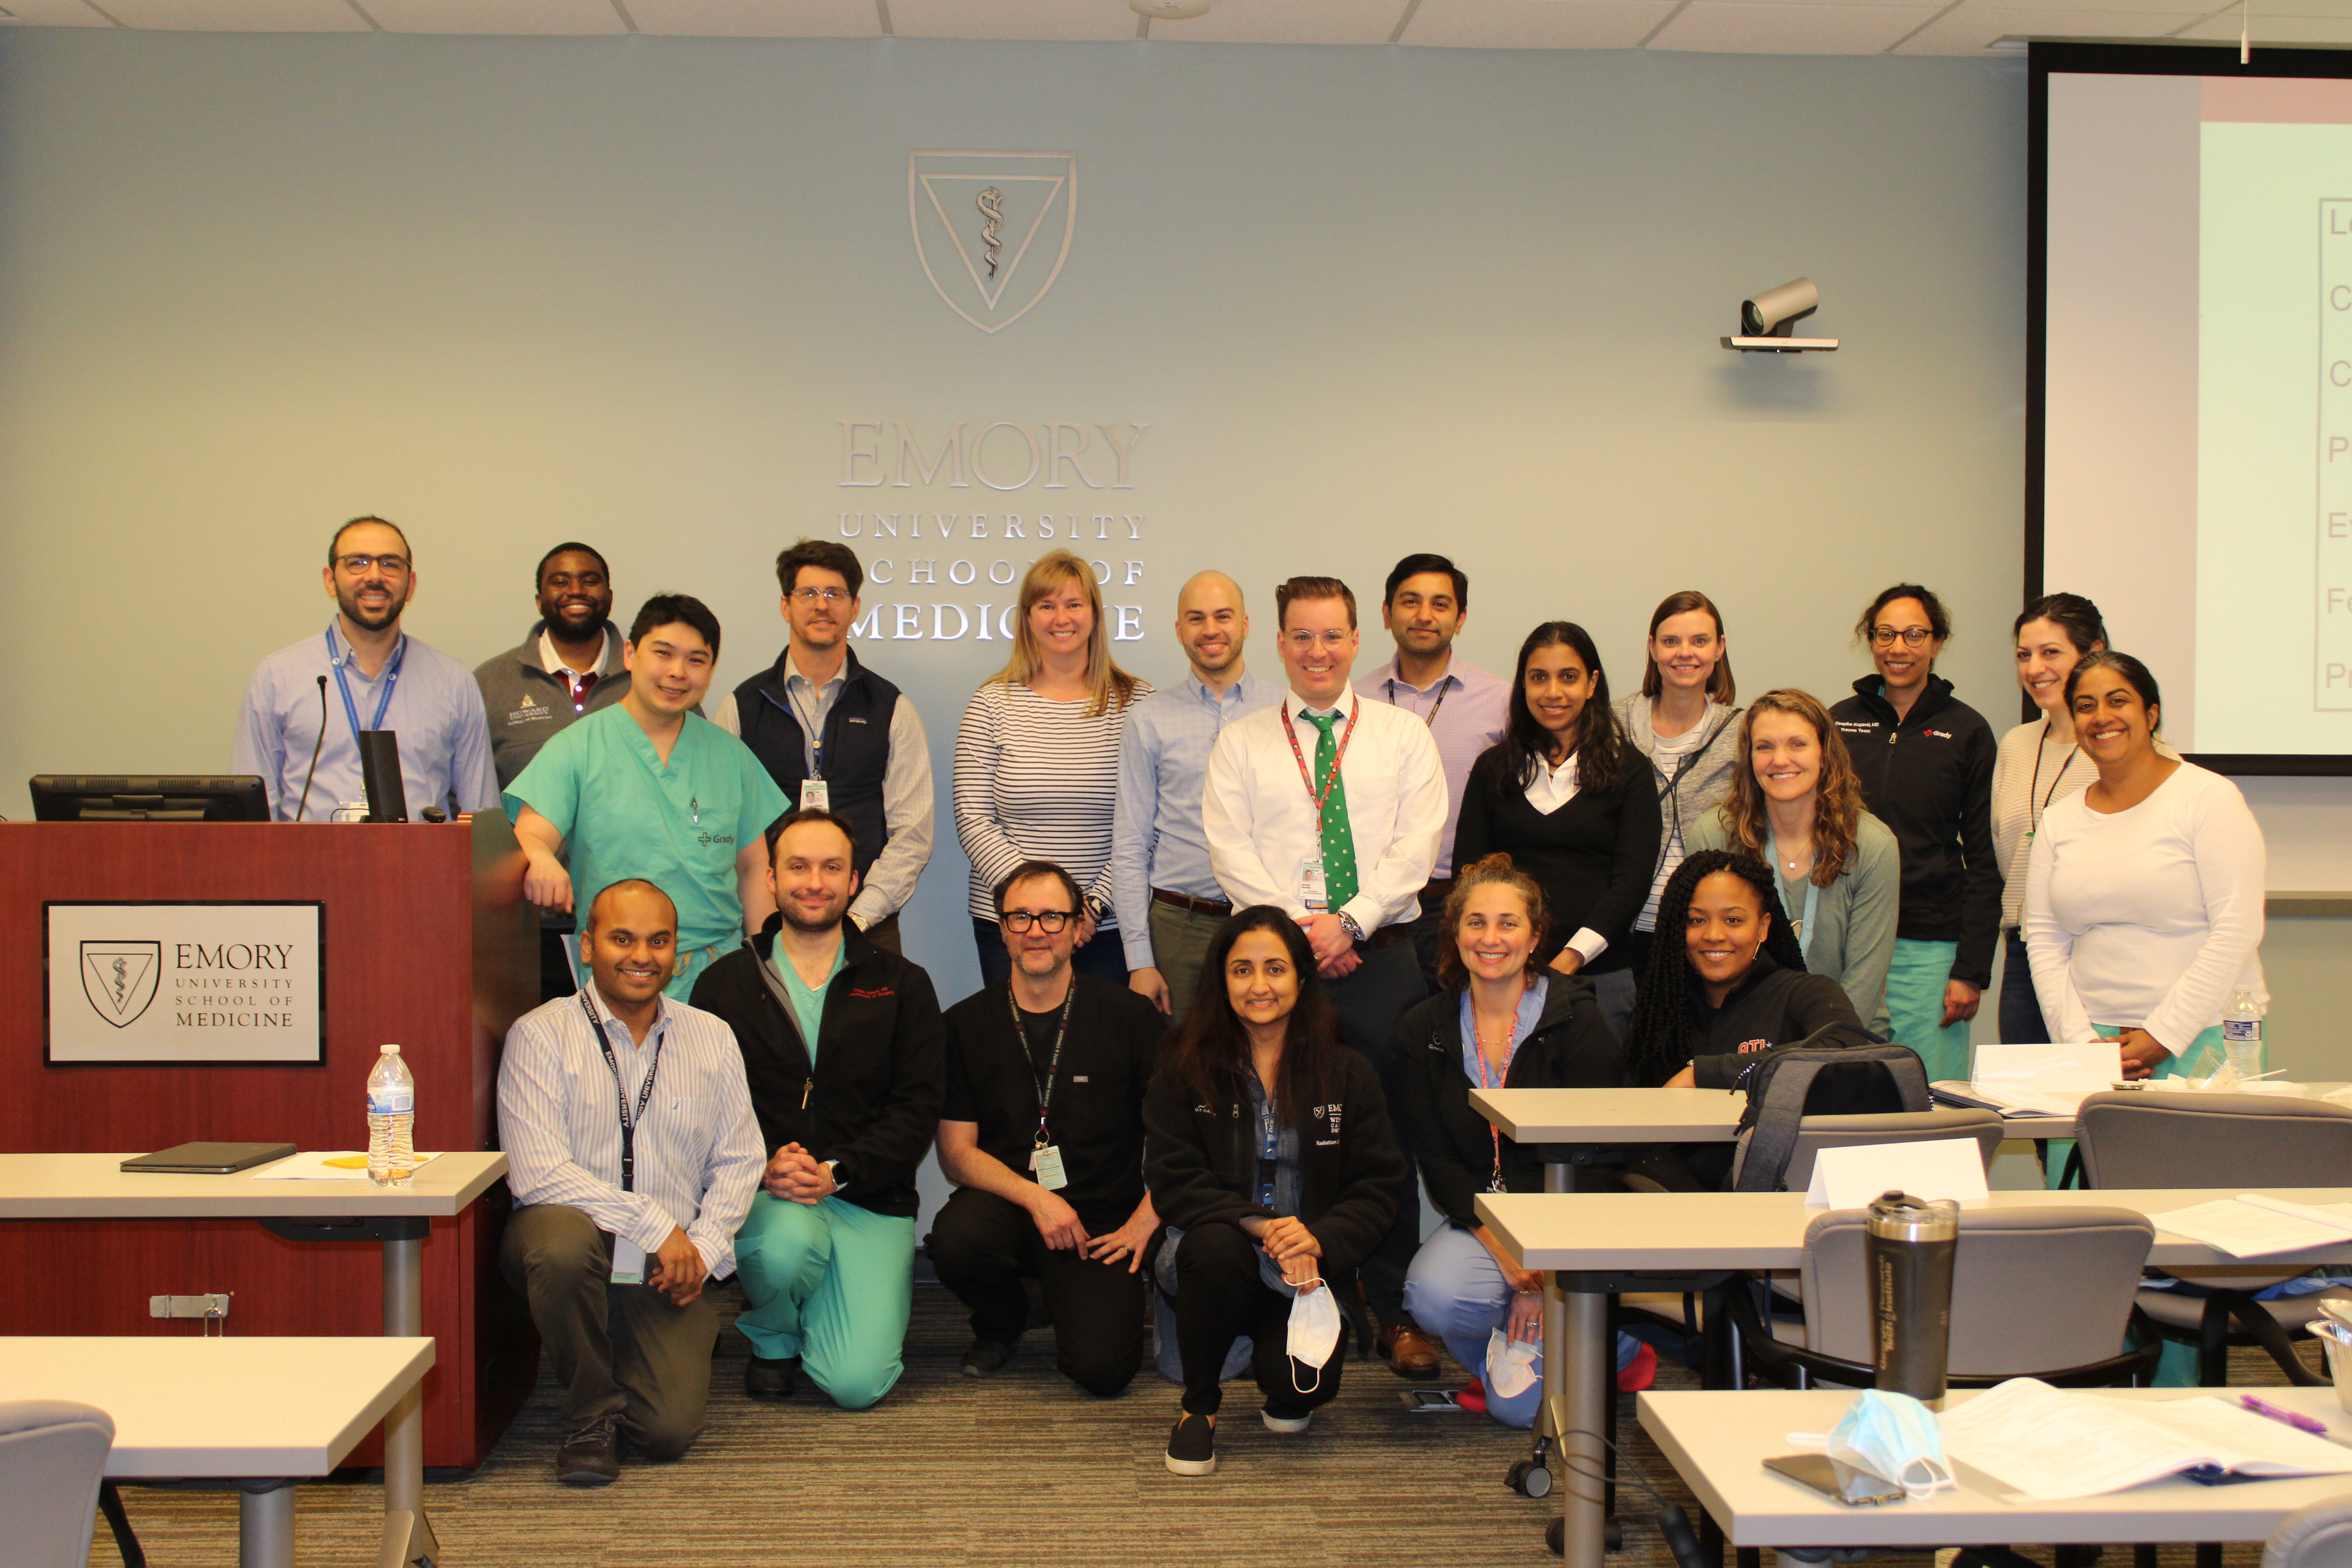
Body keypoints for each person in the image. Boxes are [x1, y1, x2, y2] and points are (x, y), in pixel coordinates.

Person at [1201, 575, 1447, 1379]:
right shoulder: (1241, 741)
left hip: (1380, 960)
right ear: (1279, 644)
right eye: (1301, 637)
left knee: (1384, 1140)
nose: (1317, 651)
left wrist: (1352, 920)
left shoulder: (1402, 736)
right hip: (1278, 969)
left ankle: (1397, 1311)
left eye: (1333, 636)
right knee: (1278, 1131)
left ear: (1354, 640)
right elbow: (1230, 848)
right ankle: (1290, 1293)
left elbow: (1417, 843)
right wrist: (1298, 941)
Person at [496, 878, 763, 1485]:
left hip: (662, 1266)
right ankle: (590, 1417)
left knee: (666, 1434)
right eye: (622, 938)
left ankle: (621, 1356)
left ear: (677, 951)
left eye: (659, 941)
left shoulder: (711, 1037)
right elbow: (537, 1173)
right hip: (568, 1241)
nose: (642, 955)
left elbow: (741, 1160)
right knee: (562, 1245)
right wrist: (656, 1224)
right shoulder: (540, 1034)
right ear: (587, 946)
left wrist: (702, 1249)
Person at [687, 808, 946, 1410]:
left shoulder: (903, 984)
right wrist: (763, 1169)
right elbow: (702, 1109)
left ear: (854, 881)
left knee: (857, 1385)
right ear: (771, 880)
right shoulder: (723, 986)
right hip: (767, 1195)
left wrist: (839, 1171)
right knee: (783, 1251)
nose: (815, 882)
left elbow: (917, 1106)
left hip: (867, 1198)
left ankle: (821, 1298)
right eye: (797, 866)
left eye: (832, 868)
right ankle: (774, 1334)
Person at [1144, 906, 1406, 1476]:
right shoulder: (1182, 1063)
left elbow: (1379, 1184)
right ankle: (1199, 1407)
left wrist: (1317, 1238)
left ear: (1302, 979)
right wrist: (1260, 1225)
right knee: (1215, 1248)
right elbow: (1173, 1176)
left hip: (1306, 1266)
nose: (1259, 986)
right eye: (1242, 971)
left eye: (1275, 969)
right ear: (1222, 981)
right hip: (1213, 1253)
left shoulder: (1347, 1070)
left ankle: (1271, 1361)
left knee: (1300, 1391)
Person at [1394, 855, 1648, 1427]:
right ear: (1455, 933)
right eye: (1476, 923)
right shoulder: (1425, 1030)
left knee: (1515, 1414)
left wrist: (1542, 1277)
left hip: (1567, 1215)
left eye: (1508, 924)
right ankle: (1539, 1353)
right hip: (1483, 1216)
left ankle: (1620, 1350)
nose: (1491, 939)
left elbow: (1601, 1157)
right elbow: (1436, 1160)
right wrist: (1507, 1255)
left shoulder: (1575, 1020)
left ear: (1535, 937)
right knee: (1430, 1295)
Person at [930, 861, 1167, 1394]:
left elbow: (1186, 1140)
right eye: (1020, 918)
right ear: (1001, 927)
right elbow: (955, 1155)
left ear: (1079, 924)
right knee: (955, 1240)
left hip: (1102, 1221)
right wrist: (1037, 1200)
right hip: (1010, 1206)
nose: (1036, 931)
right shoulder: (964, 1025)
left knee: (1103, 1374)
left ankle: (1063, 1295)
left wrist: (1144, 1221)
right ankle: (1004, 1319)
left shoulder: (1131, 1019)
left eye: (1053, 917)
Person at [506, 594, 788, 999]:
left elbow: (753, 870)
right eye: (664, 653)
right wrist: (540, 858)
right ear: (630, 654)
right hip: (618, 976)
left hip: (719, 977)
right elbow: (530, 835)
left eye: (696, 660)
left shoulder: (731, 756)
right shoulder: (577, 747)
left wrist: (767, 970)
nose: (678, 672)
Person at [2024, 652, 2267, 1082]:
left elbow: (2237, 928)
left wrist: (2163, 1034)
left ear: (2151, 714)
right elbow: (2043, 938)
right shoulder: (2059, 820)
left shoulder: (2208, 798)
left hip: (2202, 1037)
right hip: (2093, 1044)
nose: (2102, 717)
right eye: (2085, 706)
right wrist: (2081, 1045)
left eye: (2118, 701)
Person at [712, 539, 933, 954]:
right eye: (808, 593)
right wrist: (764, 917)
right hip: (770, 927)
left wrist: (858, 916)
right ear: (785, 605)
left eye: (835, 594)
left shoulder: (892, 708)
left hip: (868, 927)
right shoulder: (741, 707)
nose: (822, 605)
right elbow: (725, 829)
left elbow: (913, 835)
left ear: (855, 607)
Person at [954, 551, 1154, 987]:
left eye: (1074, 604)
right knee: (1016, 1053)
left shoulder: (1138, 704)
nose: (1060, 618)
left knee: (1102, 1053)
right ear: (1027, 618)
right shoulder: (991, 703)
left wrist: (1091, 907)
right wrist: (1036, 912)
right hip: (1010, 928)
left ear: (1095, 615)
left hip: (1104, 927)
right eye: (1046, 606)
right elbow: (973, 819)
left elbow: (1146, 824)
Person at [1829, 584, 1998, 1084]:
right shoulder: (1838, 722)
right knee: (1852, 1090)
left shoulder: (1967, 730)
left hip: (1928, 948)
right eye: (1885, 634)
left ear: (1938, 641)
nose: (1898, 648)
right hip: (1849, 940)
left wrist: (1971, 969)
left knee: (1931, 1094)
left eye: (1913, 634)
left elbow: (1984, 858)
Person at [1453, 621, 1660, 1025]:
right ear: (1523, 686)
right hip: (1502, 974)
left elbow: (1630, 883)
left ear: (1592, 683)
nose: (1553, 692)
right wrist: (1513, 960)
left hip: (1601, 978)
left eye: (1568, 677)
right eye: (1538, 678)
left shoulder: (1630, 771)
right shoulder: (1493, 769)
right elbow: (1470, 875)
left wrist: (1570, 958)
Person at [1993, 594, 2176, 1044]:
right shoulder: (2016, 744)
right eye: (2024, 655)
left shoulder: (2127, 746)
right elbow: (2004, 850)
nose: (2035, 668)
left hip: (2101, 946)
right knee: (2030, 1101)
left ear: (2093, 652)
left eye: (2051, 652)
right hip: (2025, 948)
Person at [233, 515, 497, 822]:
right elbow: (252, 816)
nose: (374, 576)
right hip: (307, 866)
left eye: (390, 564)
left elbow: (482, 817)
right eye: (357, 562)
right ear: (330, 581)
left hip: (421, 867)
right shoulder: (278, 676)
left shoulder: (453, 681)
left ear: (410, 585)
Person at [1111, 572, 1283, 1014]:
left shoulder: (1286, 710)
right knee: (1184, 1068)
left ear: (1245, 623)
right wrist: (1139, 960)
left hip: (1269, 921)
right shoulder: (1149, 719)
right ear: (1179, 631)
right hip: (1178, 928)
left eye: (1223, 616)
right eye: (1196, 618)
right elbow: (1130, 843)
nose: (1210, 630)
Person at [1686, 689, 1898, 1034]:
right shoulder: (1715, 836)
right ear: (1749, 758)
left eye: (1797, 744)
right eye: (1765, 747)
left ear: (1826, 756)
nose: (1780, 760)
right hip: (1742, 1037)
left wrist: (1802, 1059)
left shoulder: (1873, 847)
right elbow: (1703, 961)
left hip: (1847, 1038)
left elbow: (1864, 981)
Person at [475, 542, 631, 1002]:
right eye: (559, 581)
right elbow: (475, 801)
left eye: (589, 579)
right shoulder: (492, 683)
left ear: (609, 594)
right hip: (524, 924)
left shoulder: (650, 677)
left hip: (631, 919)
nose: (575, 589)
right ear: (539, 599)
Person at [1357, 554, 1511, 989]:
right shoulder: (1353, 700)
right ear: (1387, 614)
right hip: (1370, 909)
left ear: (1460, 619)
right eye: (1410, 602)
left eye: (1441, 605)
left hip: (1460, 907)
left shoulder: (1502, 702)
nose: (1425, 616)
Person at [1612, 591, 1745, 1040]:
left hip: (1705, 936)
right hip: (1624, 933)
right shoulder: (1613, 724)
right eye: (1671, 641)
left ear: (1720, 648)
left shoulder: (1743, 733)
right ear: (1652, 648)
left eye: (1700, 641)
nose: (1685, 653)